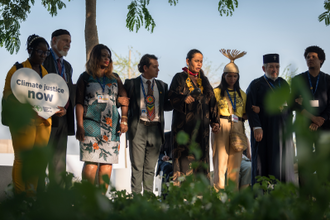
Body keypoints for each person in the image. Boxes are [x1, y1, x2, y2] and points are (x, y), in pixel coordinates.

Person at [2, 34, 62, 194]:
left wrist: (58, 109)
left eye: (46, 52)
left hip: (43, 123)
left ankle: (31, 197)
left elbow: (51, 99)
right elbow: (7, 96)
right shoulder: (17, 70)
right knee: (22, 159)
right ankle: (20, 197)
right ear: (30, 50)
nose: (43, 55)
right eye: (39, 52)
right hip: (23, 122)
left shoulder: (46, 73)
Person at [75, 44, 129, 192]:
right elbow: (78, 103)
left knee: (107, 163)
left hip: (111, 127)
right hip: (90, 126)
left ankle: (101, 201)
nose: (107, 59)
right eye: (104, 55)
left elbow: (124, 99)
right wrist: (79, 126)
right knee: (91, 162)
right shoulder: (85, 77)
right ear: (95, 57)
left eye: (108, 56)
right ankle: (88, 199)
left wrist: (124, 119)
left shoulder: (115, 78)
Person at [168, 49, 220, 185]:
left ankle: (201, 196)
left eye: (201, 61)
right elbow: (171, 96)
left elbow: (212, 101)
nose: (199, 64)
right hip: (184, 128)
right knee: (184, 161)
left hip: (202, 130)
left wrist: (215, 122)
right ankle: (183, 195)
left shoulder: (204, 80)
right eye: (196, 61)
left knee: (200, 160)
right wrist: (184, 99)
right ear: (188, 61)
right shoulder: (179, 77)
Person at [124, 54, 172, 194]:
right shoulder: (131, 84)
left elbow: (167, 106)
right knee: (137, 167)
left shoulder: (163, 86)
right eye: (154, 66)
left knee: (150, 168)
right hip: (138, 127)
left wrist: (179, 99)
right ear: (145, 67)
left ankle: (149, 200)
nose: (158, 69)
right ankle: (137, 200)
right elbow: (122, 102)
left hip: (156, 129)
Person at [246, 53, 295, 186]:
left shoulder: (284, 84)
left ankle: (284, 196)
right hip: (265, 131)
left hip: (283, 130)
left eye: (277, 67)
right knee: (264, 164)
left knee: (283, 163)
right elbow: (250, 108)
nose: (275, 70)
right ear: (264, 68)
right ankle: (262, 198)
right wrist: (256, 127)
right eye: (271, 67)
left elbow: (288, 107)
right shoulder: (256, 85)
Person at [291, 46, 330, 185]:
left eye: (313, 57)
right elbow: (293, 103)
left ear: (321, 60)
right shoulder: (297, 80)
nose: (310, 59)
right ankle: (304, 201)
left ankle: (324, 200)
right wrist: (313, 118)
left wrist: (321, 119)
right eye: (308, 57)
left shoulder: (328, 80)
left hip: (325, 126)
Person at [212, 49, 249, 190]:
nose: (232, 79)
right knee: (220, 163)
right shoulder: (215, 92)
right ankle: (219, 197)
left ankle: (232, 199)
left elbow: (246, 113)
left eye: (235, 76)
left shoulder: (243, 94)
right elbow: (210, 111)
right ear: (224, 76)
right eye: (229, 76)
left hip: (238, 126)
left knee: (235, 165)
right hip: (221, 125)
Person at [41, 29, 74, 186]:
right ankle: (37, 200)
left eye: (70, 42)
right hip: (44, 118)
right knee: (41, 162)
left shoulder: (67, 66)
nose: (68, 44)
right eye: (65, 40)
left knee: (59, 164)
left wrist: (66, 108)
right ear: (53, 40)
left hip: (63, 119)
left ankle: (56, 202)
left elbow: (67, 91)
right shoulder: (42, 59)